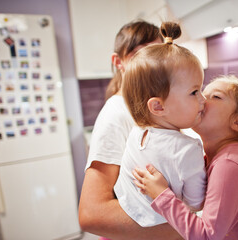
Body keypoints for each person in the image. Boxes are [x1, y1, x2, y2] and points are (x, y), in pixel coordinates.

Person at [133, 75, 238, 240]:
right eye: (199, 93)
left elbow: (206, 236)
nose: (200, 99)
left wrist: (161, 194)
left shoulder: (232, 163)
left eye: (215, 96)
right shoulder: (224, 157)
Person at [78, 20, 183, 240]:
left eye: (156, 55)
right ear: (118, 62)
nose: (150, 65)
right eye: (138, 55)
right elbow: (91, 214)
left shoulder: (152, 107)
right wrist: (186, 226)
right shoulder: (116, 114)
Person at [115, 21, 207, 227]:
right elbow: (196, 204)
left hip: (131, 217)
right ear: (158, 107)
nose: (203, 99)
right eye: (194, 92)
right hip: (163, 227)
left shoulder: (137, 133)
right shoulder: (188, 149)